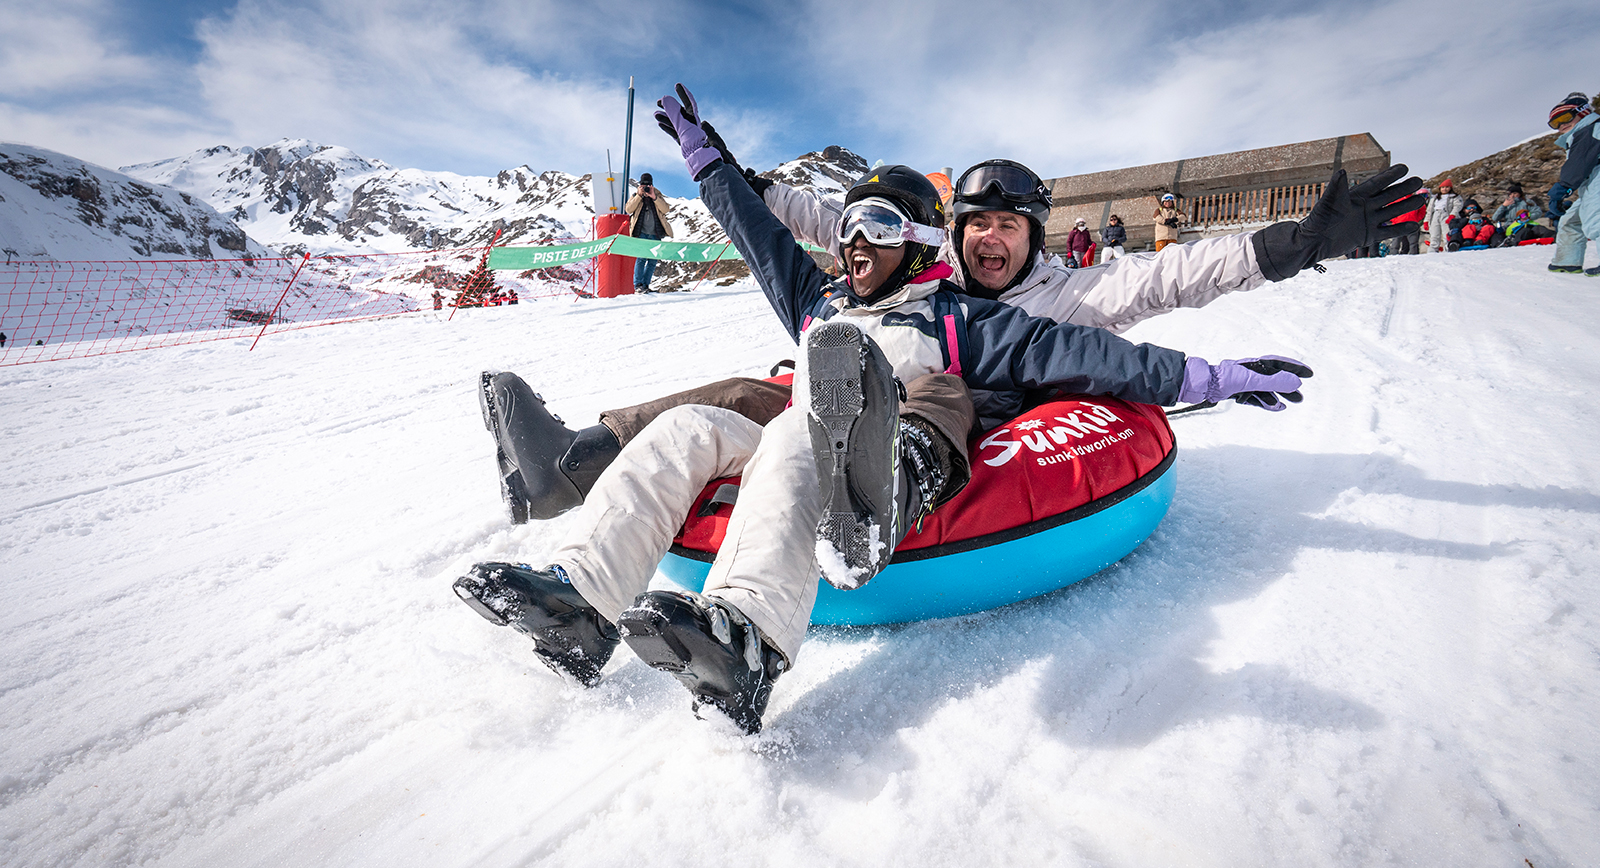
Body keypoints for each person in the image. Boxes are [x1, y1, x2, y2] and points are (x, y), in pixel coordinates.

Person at [454, 84, 1321, 733]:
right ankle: (580, 605)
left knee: (832, 414)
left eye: (873, 226)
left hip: (876, 433)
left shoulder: (959, 316)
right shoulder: (820, 305)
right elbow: (759, 235)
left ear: (914, 242)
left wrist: (1209, 378)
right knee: (691, 427)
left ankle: (749, 638)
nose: (853, 242)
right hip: (803, 422)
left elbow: (1085, 356)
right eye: (846, 230)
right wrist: (706, 161)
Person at [478, 144, 1422, 525]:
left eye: (1010, 225)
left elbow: (1179, 272)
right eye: (977, 225)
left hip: (949, 420)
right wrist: (735, 176)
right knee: (735, 394)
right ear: (956, 233)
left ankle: (885, 493)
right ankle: (567, 465)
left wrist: (1294, 244)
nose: (991, 239)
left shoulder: (1069, 298)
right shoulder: (925, 280)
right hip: (866, 382)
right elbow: (825, 231)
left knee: (932, 395)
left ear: (1035, 235)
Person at [1544, 92, 1600, 275]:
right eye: (1554, 123)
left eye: (1566, 117)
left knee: (1596, 219)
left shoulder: (1591, 128)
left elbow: (1579, 163)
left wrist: (1563, 187)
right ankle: (1568, 261)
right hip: (1591, 182)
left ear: (1583, 112)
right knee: (1571, 220)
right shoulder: (1580, 134)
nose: (1561, 125)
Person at [625, 173, 673, 293]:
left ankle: (645, 285)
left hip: (655, 233)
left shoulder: (657, 195)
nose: (646, 187)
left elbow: (666, 209)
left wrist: (654, 197)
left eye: (648, 184)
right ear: (640, 185)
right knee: (641, 259)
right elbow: (628, 209)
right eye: (643, 184)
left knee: (652, 261)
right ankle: (638, 285)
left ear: (652, 185)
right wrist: (639, 196)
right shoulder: (636, 195)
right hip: (641, 232)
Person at [1424, 179, 1462, 253]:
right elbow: (1429, 210)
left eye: (1447, 187)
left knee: (1447, 233)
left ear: (1450, 188)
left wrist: (1452, 215)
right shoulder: (1435, 198)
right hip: (1435, 214)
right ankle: (1432, 250)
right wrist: (1426, 221)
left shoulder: (1454, 197)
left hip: (1446, 214)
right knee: (1434, 234)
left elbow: (1457, 206)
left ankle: (1447, 249)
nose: (1444, 189)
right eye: (1443, 187)